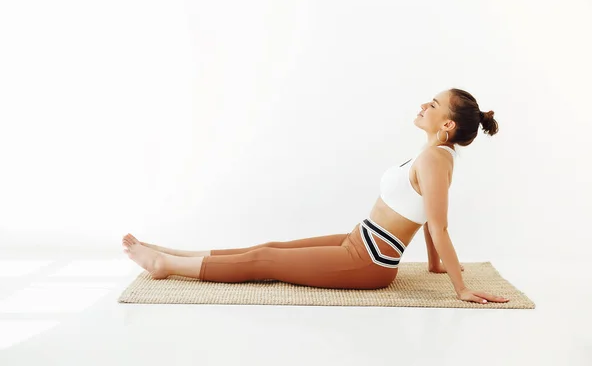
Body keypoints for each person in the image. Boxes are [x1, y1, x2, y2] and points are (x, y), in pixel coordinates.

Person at [122, 88, 510, 305]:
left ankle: (165, 265)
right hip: (355, 240)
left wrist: (459, 286)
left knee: (265, 261)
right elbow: (429, 215)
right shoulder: (433, 156)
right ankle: (174, 253)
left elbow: (439, 225)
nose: (423, 104)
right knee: (270, 246)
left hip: (368, 262)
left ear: (446, 124)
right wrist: (433, 267)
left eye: (433, 104)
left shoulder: (434, 160)